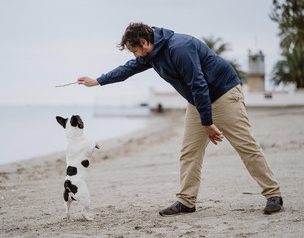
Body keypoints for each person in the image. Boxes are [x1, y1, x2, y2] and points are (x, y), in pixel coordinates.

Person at [77, 22, 283, 216]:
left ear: (145, 42)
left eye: (135, 50)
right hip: (198, 101)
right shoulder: (151, 55)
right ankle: (187, 201)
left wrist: (208, 123)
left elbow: (198, 84)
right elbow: (128, 69)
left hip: (223, 94)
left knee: (246, 146)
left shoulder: (179, 48)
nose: (135, 55)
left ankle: (273, 194)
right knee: (189, 151)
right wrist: (97, 81)